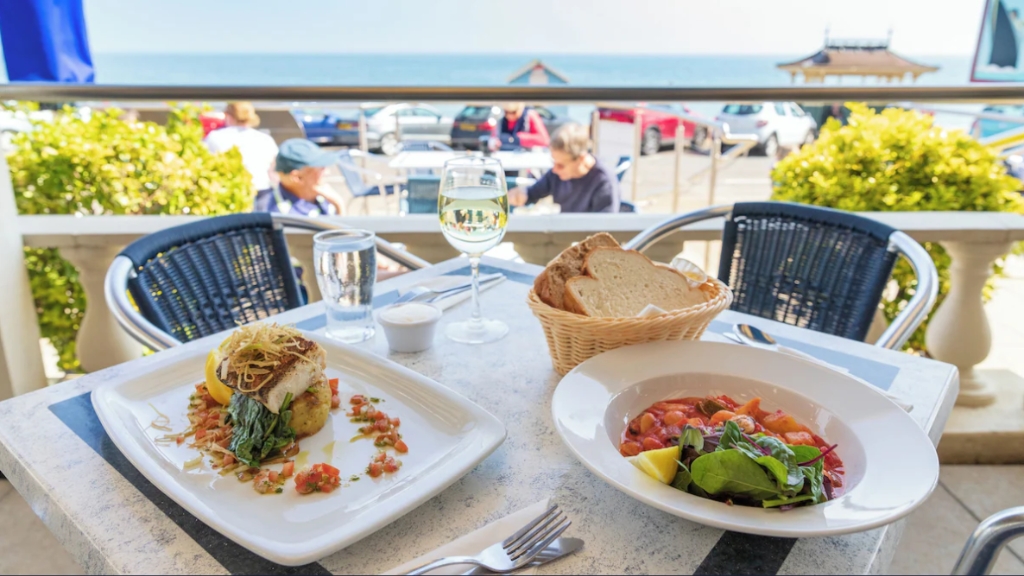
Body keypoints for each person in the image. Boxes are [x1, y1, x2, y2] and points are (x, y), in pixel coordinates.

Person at [508, 123, 620, 213]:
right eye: (553, 162)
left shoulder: (604, 183)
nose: (555, 169)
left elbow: (605, 232)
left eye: (561, 165)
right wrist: (523, 194)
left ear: (581, 159)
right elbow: (534, 192)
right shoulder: (557, 174)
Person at [204, 102, 279, 197]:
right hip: (261, 193)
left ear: (228, 116)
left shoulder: (215, 137)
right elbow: (274, 169)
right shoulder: (266, 139)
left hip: (227, 193)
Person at [257, 138, 346, 216]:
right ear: (297, 177)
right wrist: (339, 206)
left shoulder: (320, 197)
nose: (327, 172)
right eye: (321, 168)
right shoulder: (282, 214)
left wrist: (338, 204)